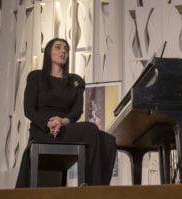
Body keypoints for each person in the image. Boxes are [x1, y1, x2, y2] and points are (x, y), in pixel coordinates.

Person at [15, 38, 116, 187]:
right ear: (49, 52)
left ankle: (97, 187)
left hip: (65, 128)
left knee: (109, 140)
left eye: (66, 49)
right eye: (58, 47)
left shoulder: (76, 81)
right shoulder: (35, 77)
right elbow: (28, 109)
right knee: (90, 129)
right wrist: (49, 123)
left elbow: (76, 111)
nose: (63, 51)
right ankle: (94, 189)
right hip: (43, 130)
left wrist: (62, 122)